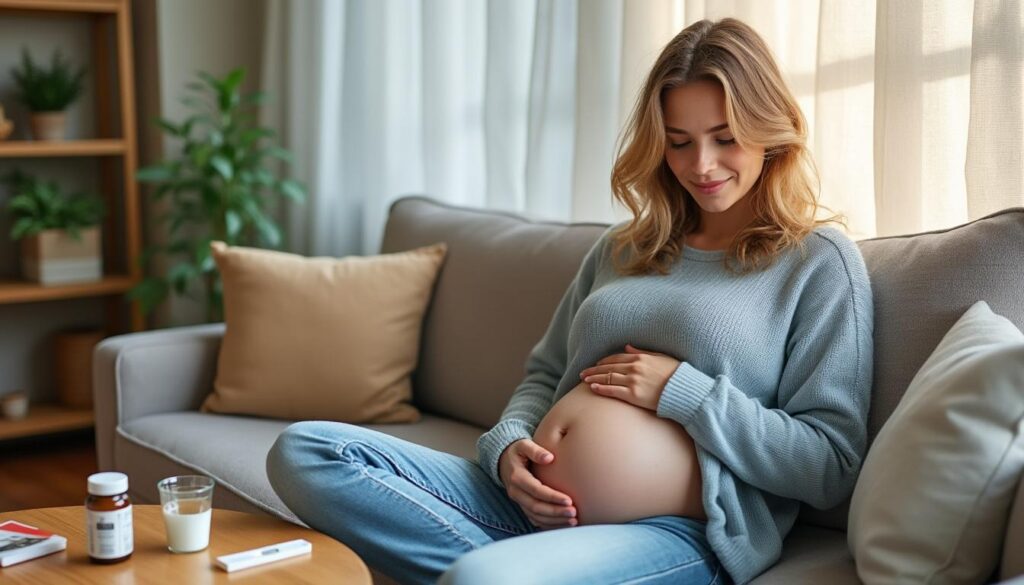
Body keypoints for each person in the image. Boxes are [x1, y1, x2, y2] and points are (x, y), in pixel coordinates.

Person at [266, 17, 873, 585]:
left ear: (770, 132)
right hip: (519, 502)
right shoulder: (624, 246)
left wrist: (683, 393)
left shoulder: (816, 262)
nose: (702, 165)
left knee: (480, 579)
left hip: (680, 532)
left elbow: (829, 465)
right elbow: (545, 375)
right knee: (309, 451)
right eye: (680, 142)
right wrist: (507, 446)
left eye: (725, 138)